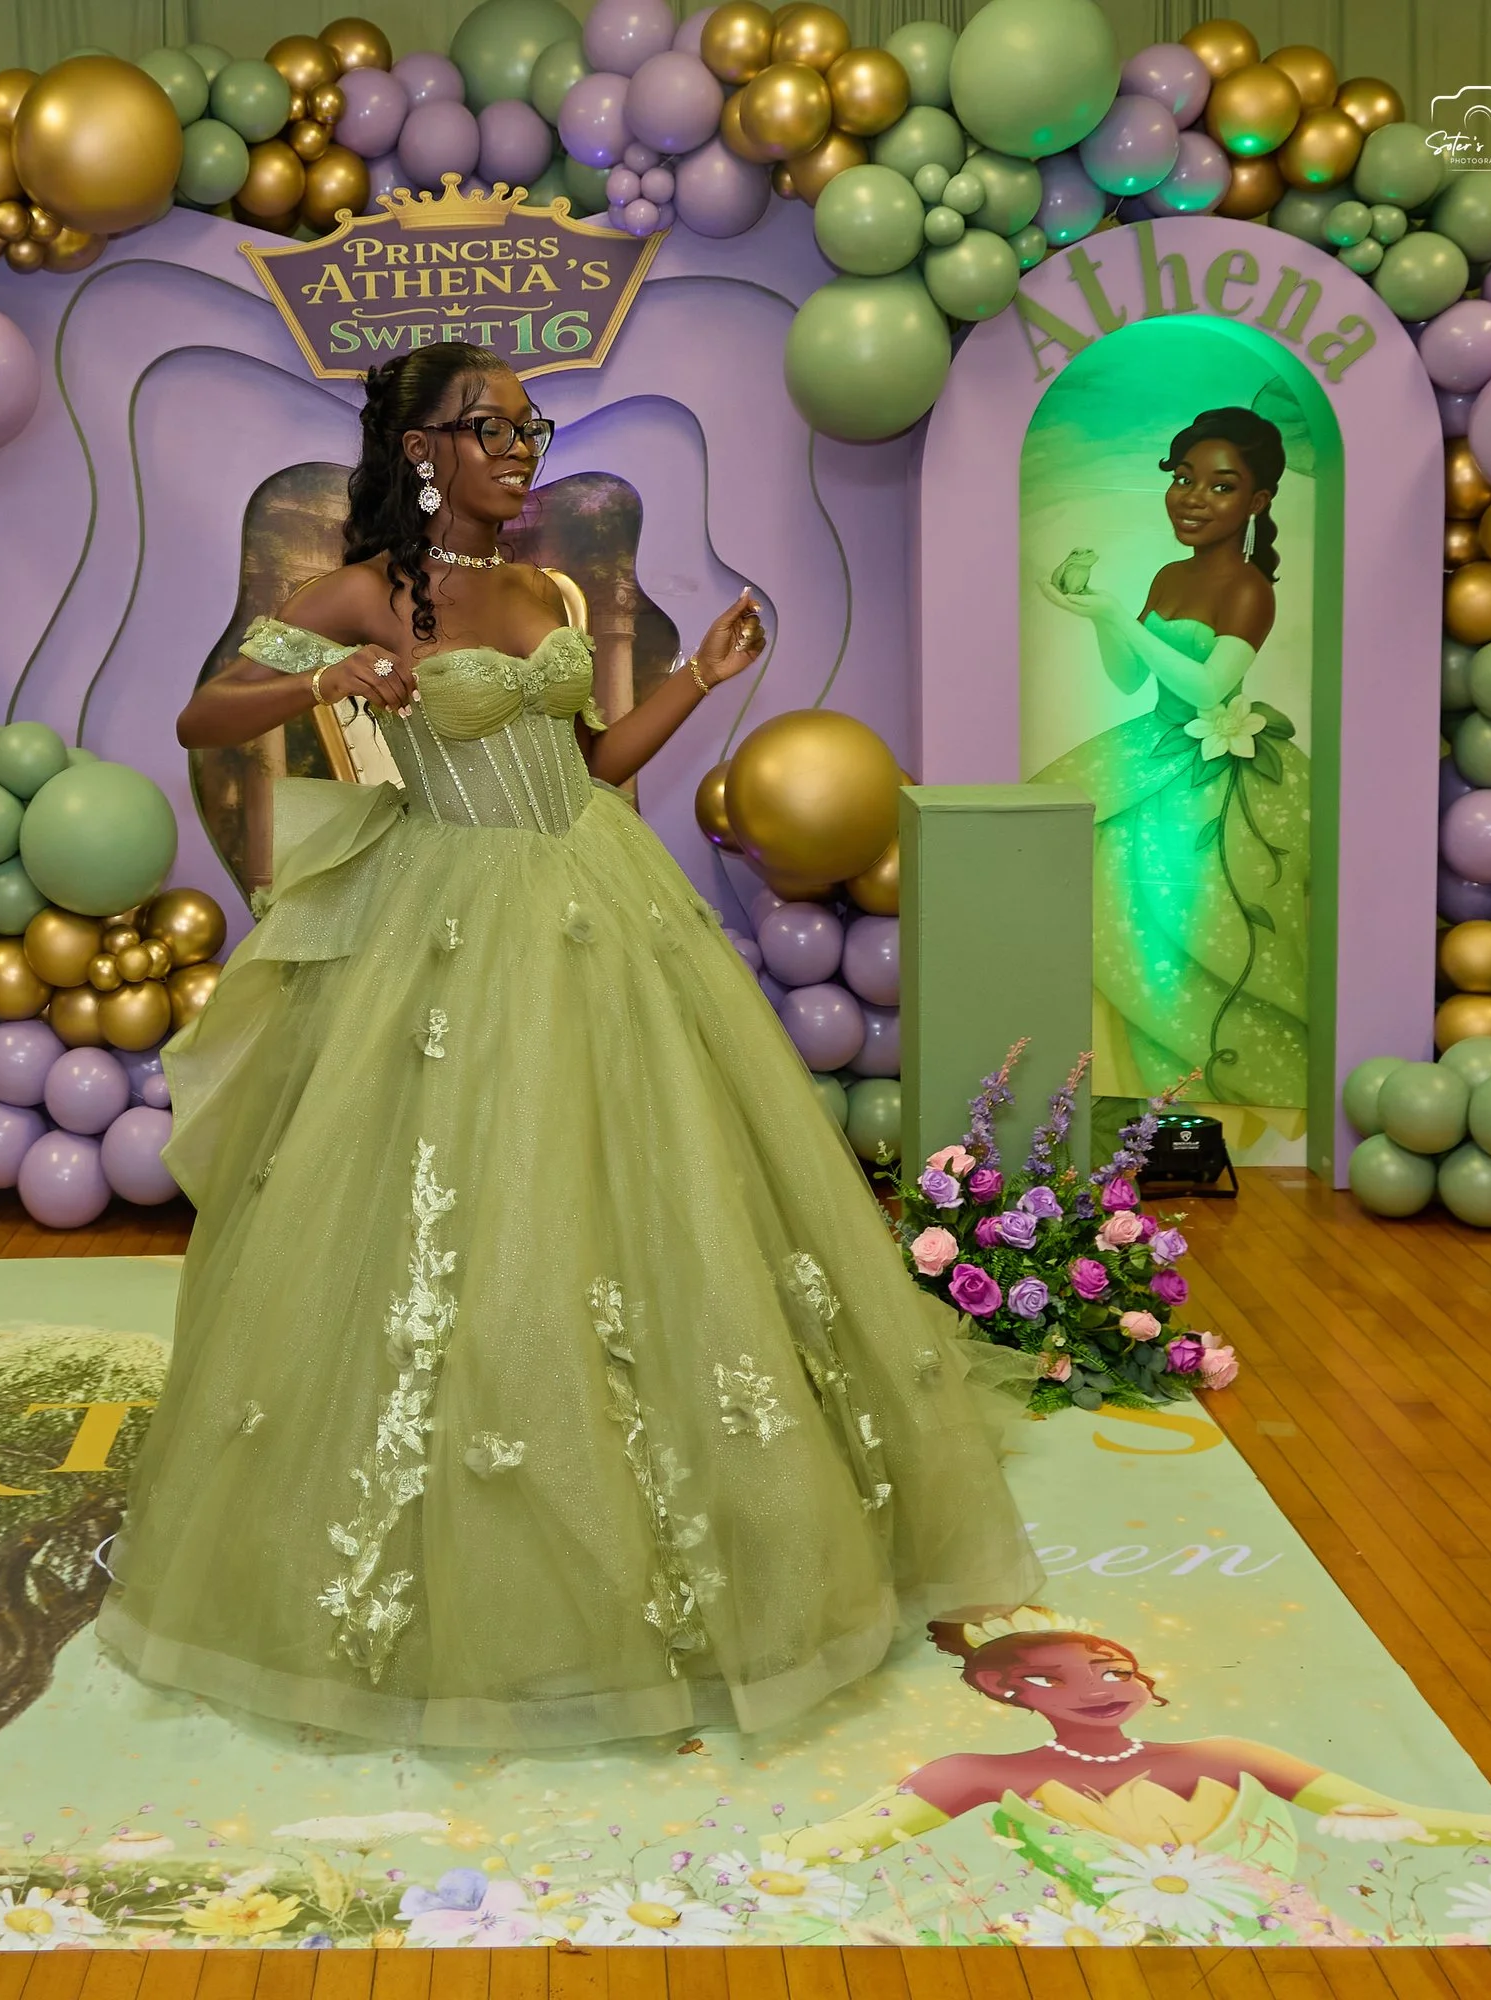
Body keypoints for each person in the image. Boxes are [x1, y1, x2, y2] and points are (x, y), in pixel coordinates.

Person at [95, 343, 1043, 1750]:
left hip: (596, 890)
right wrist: (328, 680)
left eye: (529, 427)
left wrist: (701, 678)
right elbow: (204, 713)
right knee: (460, 1206)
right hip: (446, 912)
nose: (518, 449)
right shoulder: (366, 590)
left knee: (651, 1190)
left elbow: (592, 764)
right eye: (490, 428)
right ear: (423, 449)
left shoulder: (549, 590)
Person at [1031, 408, 1308, 1112]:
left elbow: (1210, 686)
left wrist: (1116, 616)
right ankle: (1110, 1094)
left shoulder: (1250, 588)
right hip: (1150, 746)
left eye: (1220, 486)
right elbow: (1129, 678)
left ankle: (1190, 1098)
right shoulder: (1167, 574)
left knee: (1187, 926)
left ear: (1258, 500)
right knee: (1100, 905)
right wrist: (1098, 613)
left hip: (1212, 765)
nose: (1193, 498)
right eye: (1184, 479)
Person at [773, 1611, 1491, 1856]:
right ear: (1004, 1691)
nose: (1099, 1691)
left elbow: (1399, 1818)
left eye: (1113, 1671)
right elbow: (835, 1843)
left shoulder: (1225, 1756)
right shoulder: (975, 1772)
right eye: (1053, 1680)